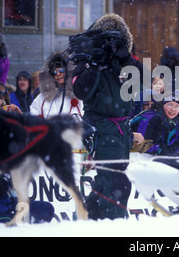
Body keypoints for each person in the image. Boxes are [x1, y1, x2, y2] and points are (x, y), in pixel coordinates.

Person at [71, 13, 136, 220]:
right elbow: (81, 90)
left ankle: (88, 219)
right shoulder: (88, 60)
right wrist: (96, 64)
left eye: (115, 41)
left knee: (114, 182)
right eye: (107, 40)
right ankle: (112, 225)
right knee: (114, 182)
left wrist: (124, 56)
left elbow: (142, 83)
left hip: (122, 129)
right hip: (102, 127)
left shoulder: (124, 61)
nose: (110, 46)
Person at [29, 52, 83, 119]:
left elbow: (85, 119)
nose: (58, 74)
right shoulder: (42, 98)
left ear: (68, 72)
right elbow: (33, 115)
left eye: (61, 70)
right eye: (55, 72)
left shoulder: (79, 95)